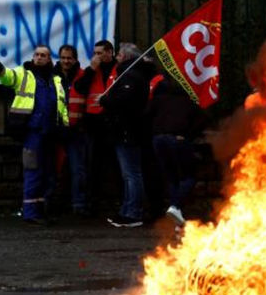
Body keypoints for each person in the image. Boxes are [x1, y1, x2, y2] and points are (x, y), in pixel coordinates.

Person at [0, 45, 68, 225]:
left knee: (49, 174)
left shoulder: (56, 79)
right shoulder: (24, 73)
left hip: (51, 133)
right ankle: (30, 213)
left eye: (43, 55)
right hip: (32, 132)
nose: (39, 58)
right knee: (33, 171)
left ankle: (44, 210)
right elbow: (6, 77)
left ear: (49, 59)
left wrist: (64, 127)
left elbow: (62, 107)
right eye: (37, 54)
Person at [99, 42, 156, 228]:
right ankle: (127, 210)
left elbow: (124, 102)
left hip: (128, 131)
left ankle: (133, 213)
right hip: (126, 131)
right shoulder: (132, 74)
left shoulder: (131, 76)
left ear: (125, 57)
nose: (116, 58)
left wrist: (105, 100)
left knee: (132, 174)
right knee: (129, 174)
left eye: (119, 55)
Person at [145, 74, 207, 227]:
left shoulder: (158, 100)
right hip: (178, 139)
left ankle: (176, 213)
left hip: (158, 139)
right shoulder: (188, 102)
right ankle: (176, 206)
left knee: (171, 177)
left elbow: (145, 116)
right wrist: (187, 135)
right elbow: (203, 119)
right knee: (188, 177)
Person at [72, 40, 118, 217]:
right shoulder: (90, 70)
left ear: (109, 52)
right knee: (93, 165)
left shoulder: (118, 68)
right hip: (93, 123)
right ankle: (93, 202)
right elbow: (80, 88)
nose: (96, 56)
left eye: (99, 53)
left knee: (115, 165)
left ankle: (116, 201)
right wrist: (91, 69)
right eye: (95, 53)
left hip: (112, 122)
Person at [52, 44, 88, 216]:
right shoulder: (52, 76)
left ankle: (78, 205)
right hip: (56, 130)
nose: (66, 61)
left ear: (74, 59)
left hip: (76, 130)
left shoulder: (82, 75)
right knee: (54, 169)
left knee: (78, 170)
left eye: (69, 58)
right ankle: (53, 203)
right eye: (63, 58)